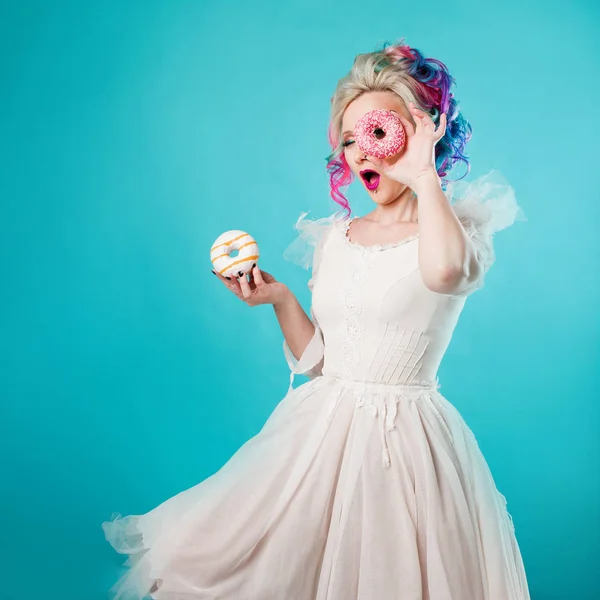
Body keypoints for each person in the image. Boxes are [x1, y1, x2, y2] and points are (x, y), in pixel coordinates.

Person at [102, 38, 530, 599]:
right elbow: (322, 363)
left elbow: (448, 275)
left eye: (378, 133)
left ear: (423, 132)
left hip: (406, 450)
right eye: (349, 139)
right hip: (318, 437)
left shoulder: (457, 231)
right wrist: (281, 301)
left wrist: (426, 176)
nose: (359, 152)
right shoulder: (336, 237)